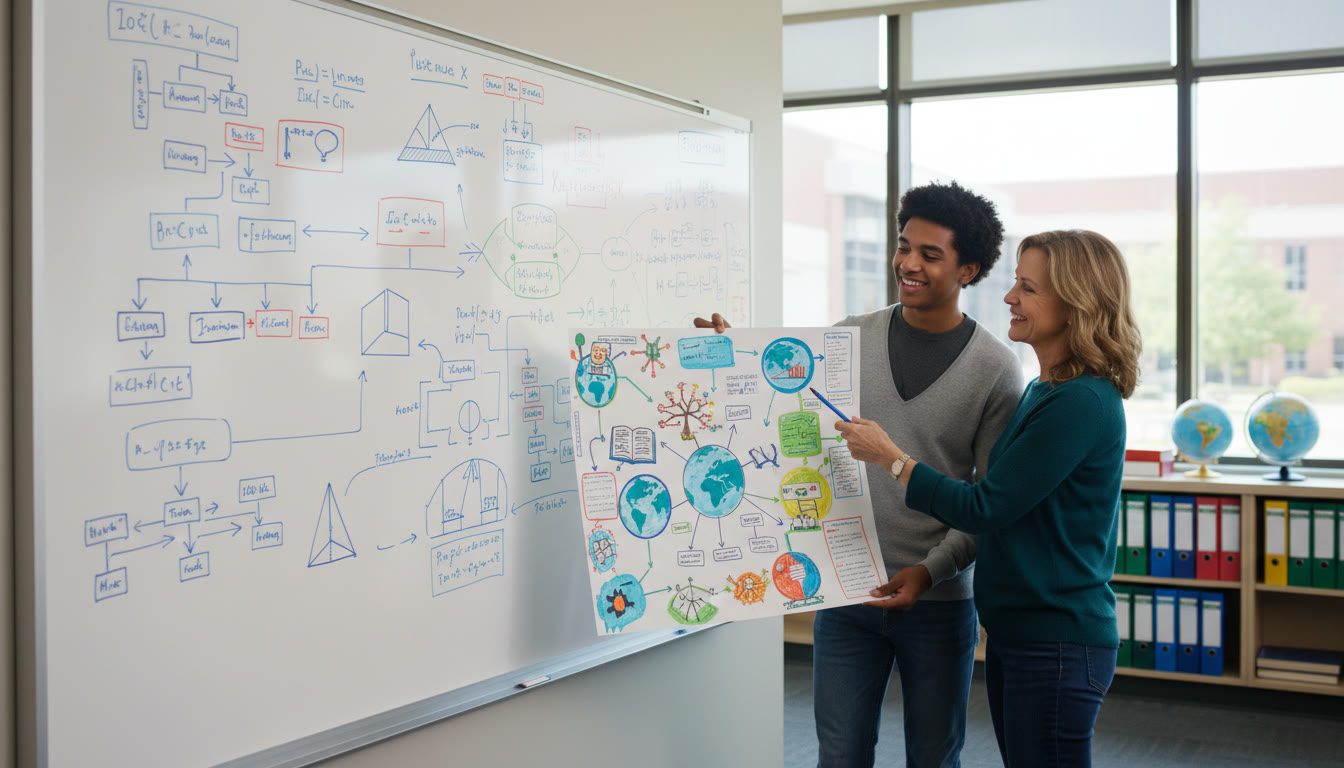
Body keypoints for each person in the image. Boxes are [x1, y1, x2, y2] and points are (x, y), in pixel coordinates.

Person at [698, 181, 1024, 768]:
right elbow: (783, 393)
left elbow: (988, 504)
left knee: (933, 757)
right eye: (904, 246)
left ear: (968, 269)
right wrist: (725, 353)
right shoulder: (849, 337)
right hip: (845, 593)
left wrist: (929, 573)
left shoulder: (997, 370)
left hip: (938, 599)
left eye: (930, 254)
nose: (908, 264)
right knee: (840, 754)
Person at [836, 229, 1142, 768]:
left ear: (1075, 304)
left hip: (1056, 643)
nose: (1010, 298)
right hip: (1021, 635)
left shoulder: (1080, 403)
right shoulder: (1045, 391)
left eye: (1027, 288)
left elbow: (985, 506)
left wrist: (892, 457)